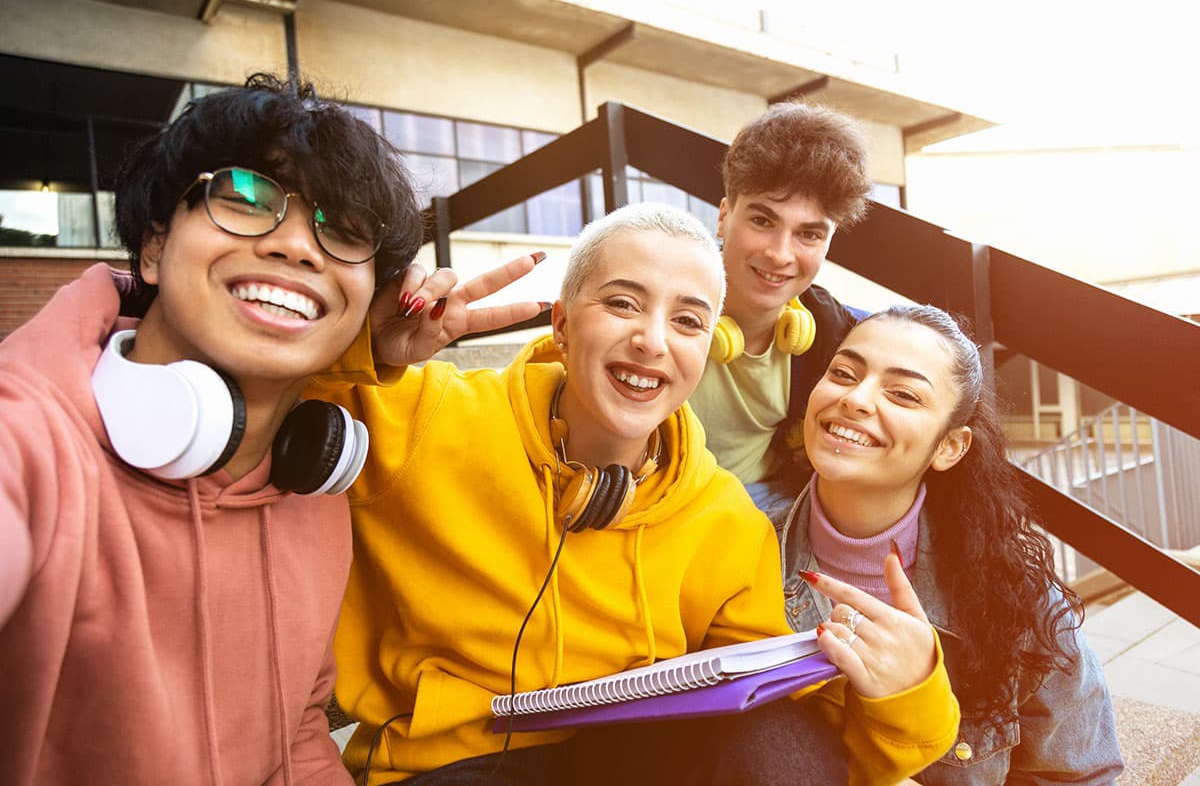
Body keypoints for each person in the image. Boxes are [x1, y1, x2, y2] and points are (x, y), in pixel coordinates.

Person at [308, 202, 961, 786]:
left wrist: (907, 690)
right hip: (449, 767)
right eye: (622, 304)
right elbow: (253, 404)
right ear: (561, 325)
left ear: (707, 349)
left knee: (779, 740)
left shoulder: (727, 521)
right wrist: (364, 348)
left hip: (627, 763)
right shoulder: (426, 415)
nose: (652, 341)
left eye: (687, 321)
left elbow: (795, 751)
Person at [0, 73, 430, 784]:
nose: (298, 247)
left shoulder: (313, 495)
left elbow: (296, 737)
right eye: (245, 200)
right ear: (152, 249)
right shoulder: (33, 441)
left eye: (344, 231)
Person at [775, 304, 1124, 784]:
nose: (856, 398)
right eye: (843, 372)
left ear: (950, 447)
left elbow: (1080, 775)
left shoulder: (1020, 601)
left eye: (903, 393)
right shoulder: (742, 552)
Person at [687, 100, 871, 517]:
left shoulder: (831, 331)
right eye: (762, 221)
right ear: (723, 217)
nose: (780, 254)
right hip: (662, 498)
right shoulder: (658, 305)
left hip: (771, 504)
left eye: (808, 234)